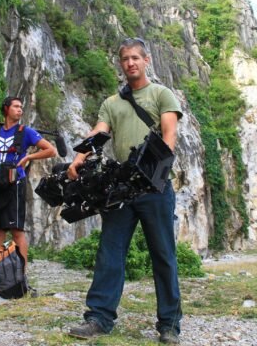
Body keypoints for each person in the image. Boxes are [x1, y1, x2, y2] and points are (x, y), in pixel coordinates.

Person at [67, 38, 183, 344]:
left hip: (154, 186)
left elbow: (170, 134)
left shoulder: (161, 94)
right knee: (110, 253)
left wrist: (157, 168)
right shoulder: (112, 102)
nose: (130, 63)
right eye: (125, 59)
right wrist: (79, 157)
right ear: (121, 64)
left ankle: (169, 324)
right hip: (120, 189)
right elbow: (99, 132)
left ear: (146, 60)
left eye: (135, 57)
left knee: (163, 255)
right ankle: (99, 318)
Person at [0, 96, 57, 265]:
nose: (20, 109)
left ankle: (21, 277)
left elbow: (50, 150)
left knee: (16, 231)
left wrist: (28, 157)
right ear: (6, 109)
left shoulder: (25, 131)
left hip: (15, 183)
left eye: (21, 107)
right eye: (16, 106)